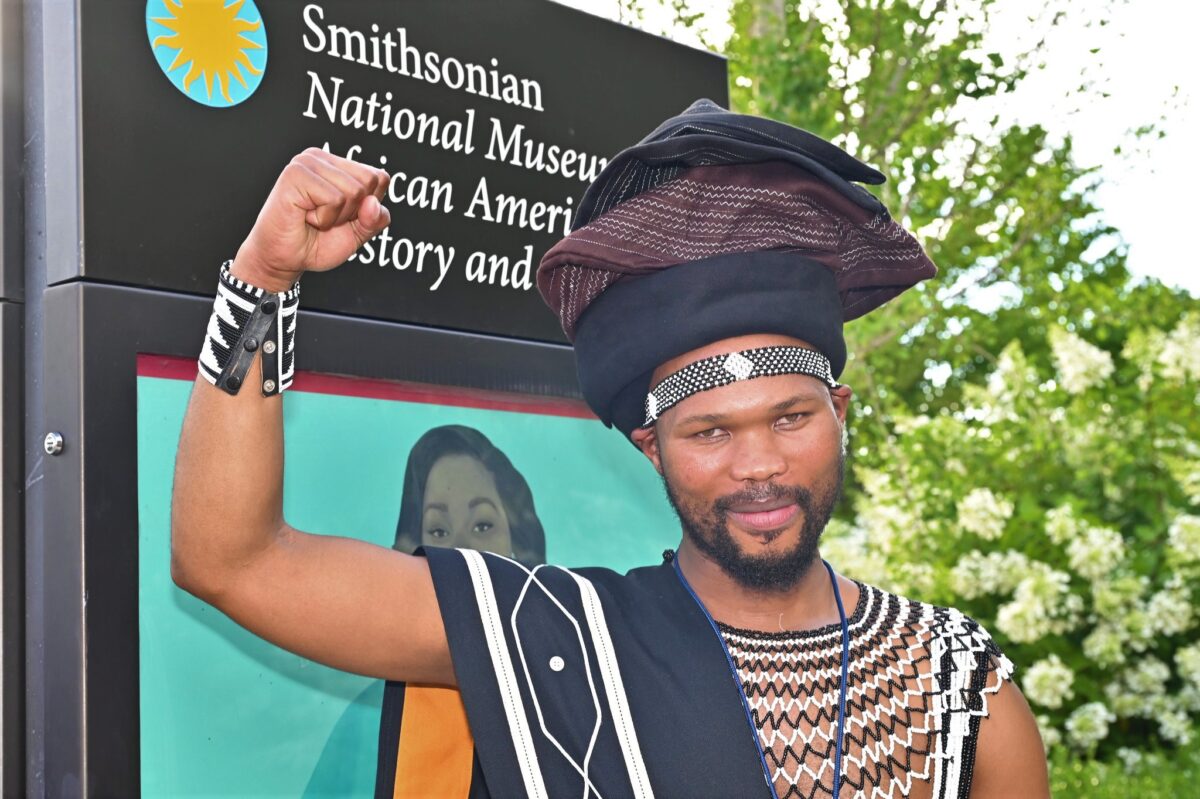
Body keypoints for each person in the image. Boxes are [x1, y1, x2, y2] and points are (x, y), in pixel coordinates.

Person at [172, 99, 1049, 798]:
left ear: (841, 411)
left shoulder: (957, 683)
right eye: (710, 431)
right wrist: (263, 276)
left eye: (790, 417)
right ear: (650, 448)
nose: (760, 466)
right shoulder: (557, 640)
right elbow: (231, 559)